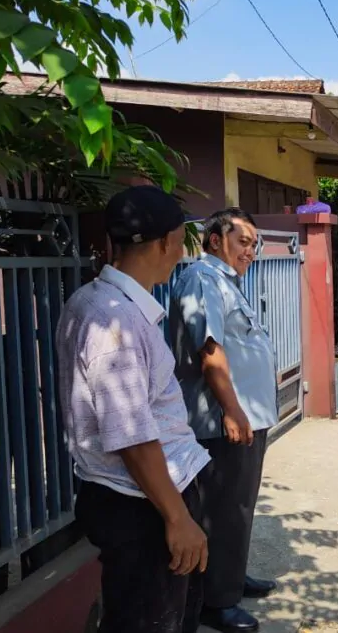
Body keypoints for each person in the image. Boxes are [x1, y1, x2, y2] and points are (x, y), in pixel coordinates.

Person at [57, 186, 209, 633]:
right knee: (148, 620)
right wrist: (177, 517)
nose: (181, 254)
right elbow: (132, 435)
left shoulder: (97, 302)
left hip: (147, 495)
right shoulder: (114, 320)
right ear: (165, 243)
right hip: (141, 504)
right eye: (180, 242)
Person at [169, 208, 279, 633]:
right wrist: (232, 410)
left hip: (246, 418)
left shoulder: (227, 282)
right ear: (215, 240)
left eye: (254, 244)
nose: (250, 251)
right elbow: (210, 352)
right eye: (243, 242)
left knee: (239, 506)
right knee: (223, 507)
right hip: (222, 421)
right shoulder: (202, 279)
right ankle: (216, 601)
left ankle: (231, 577)